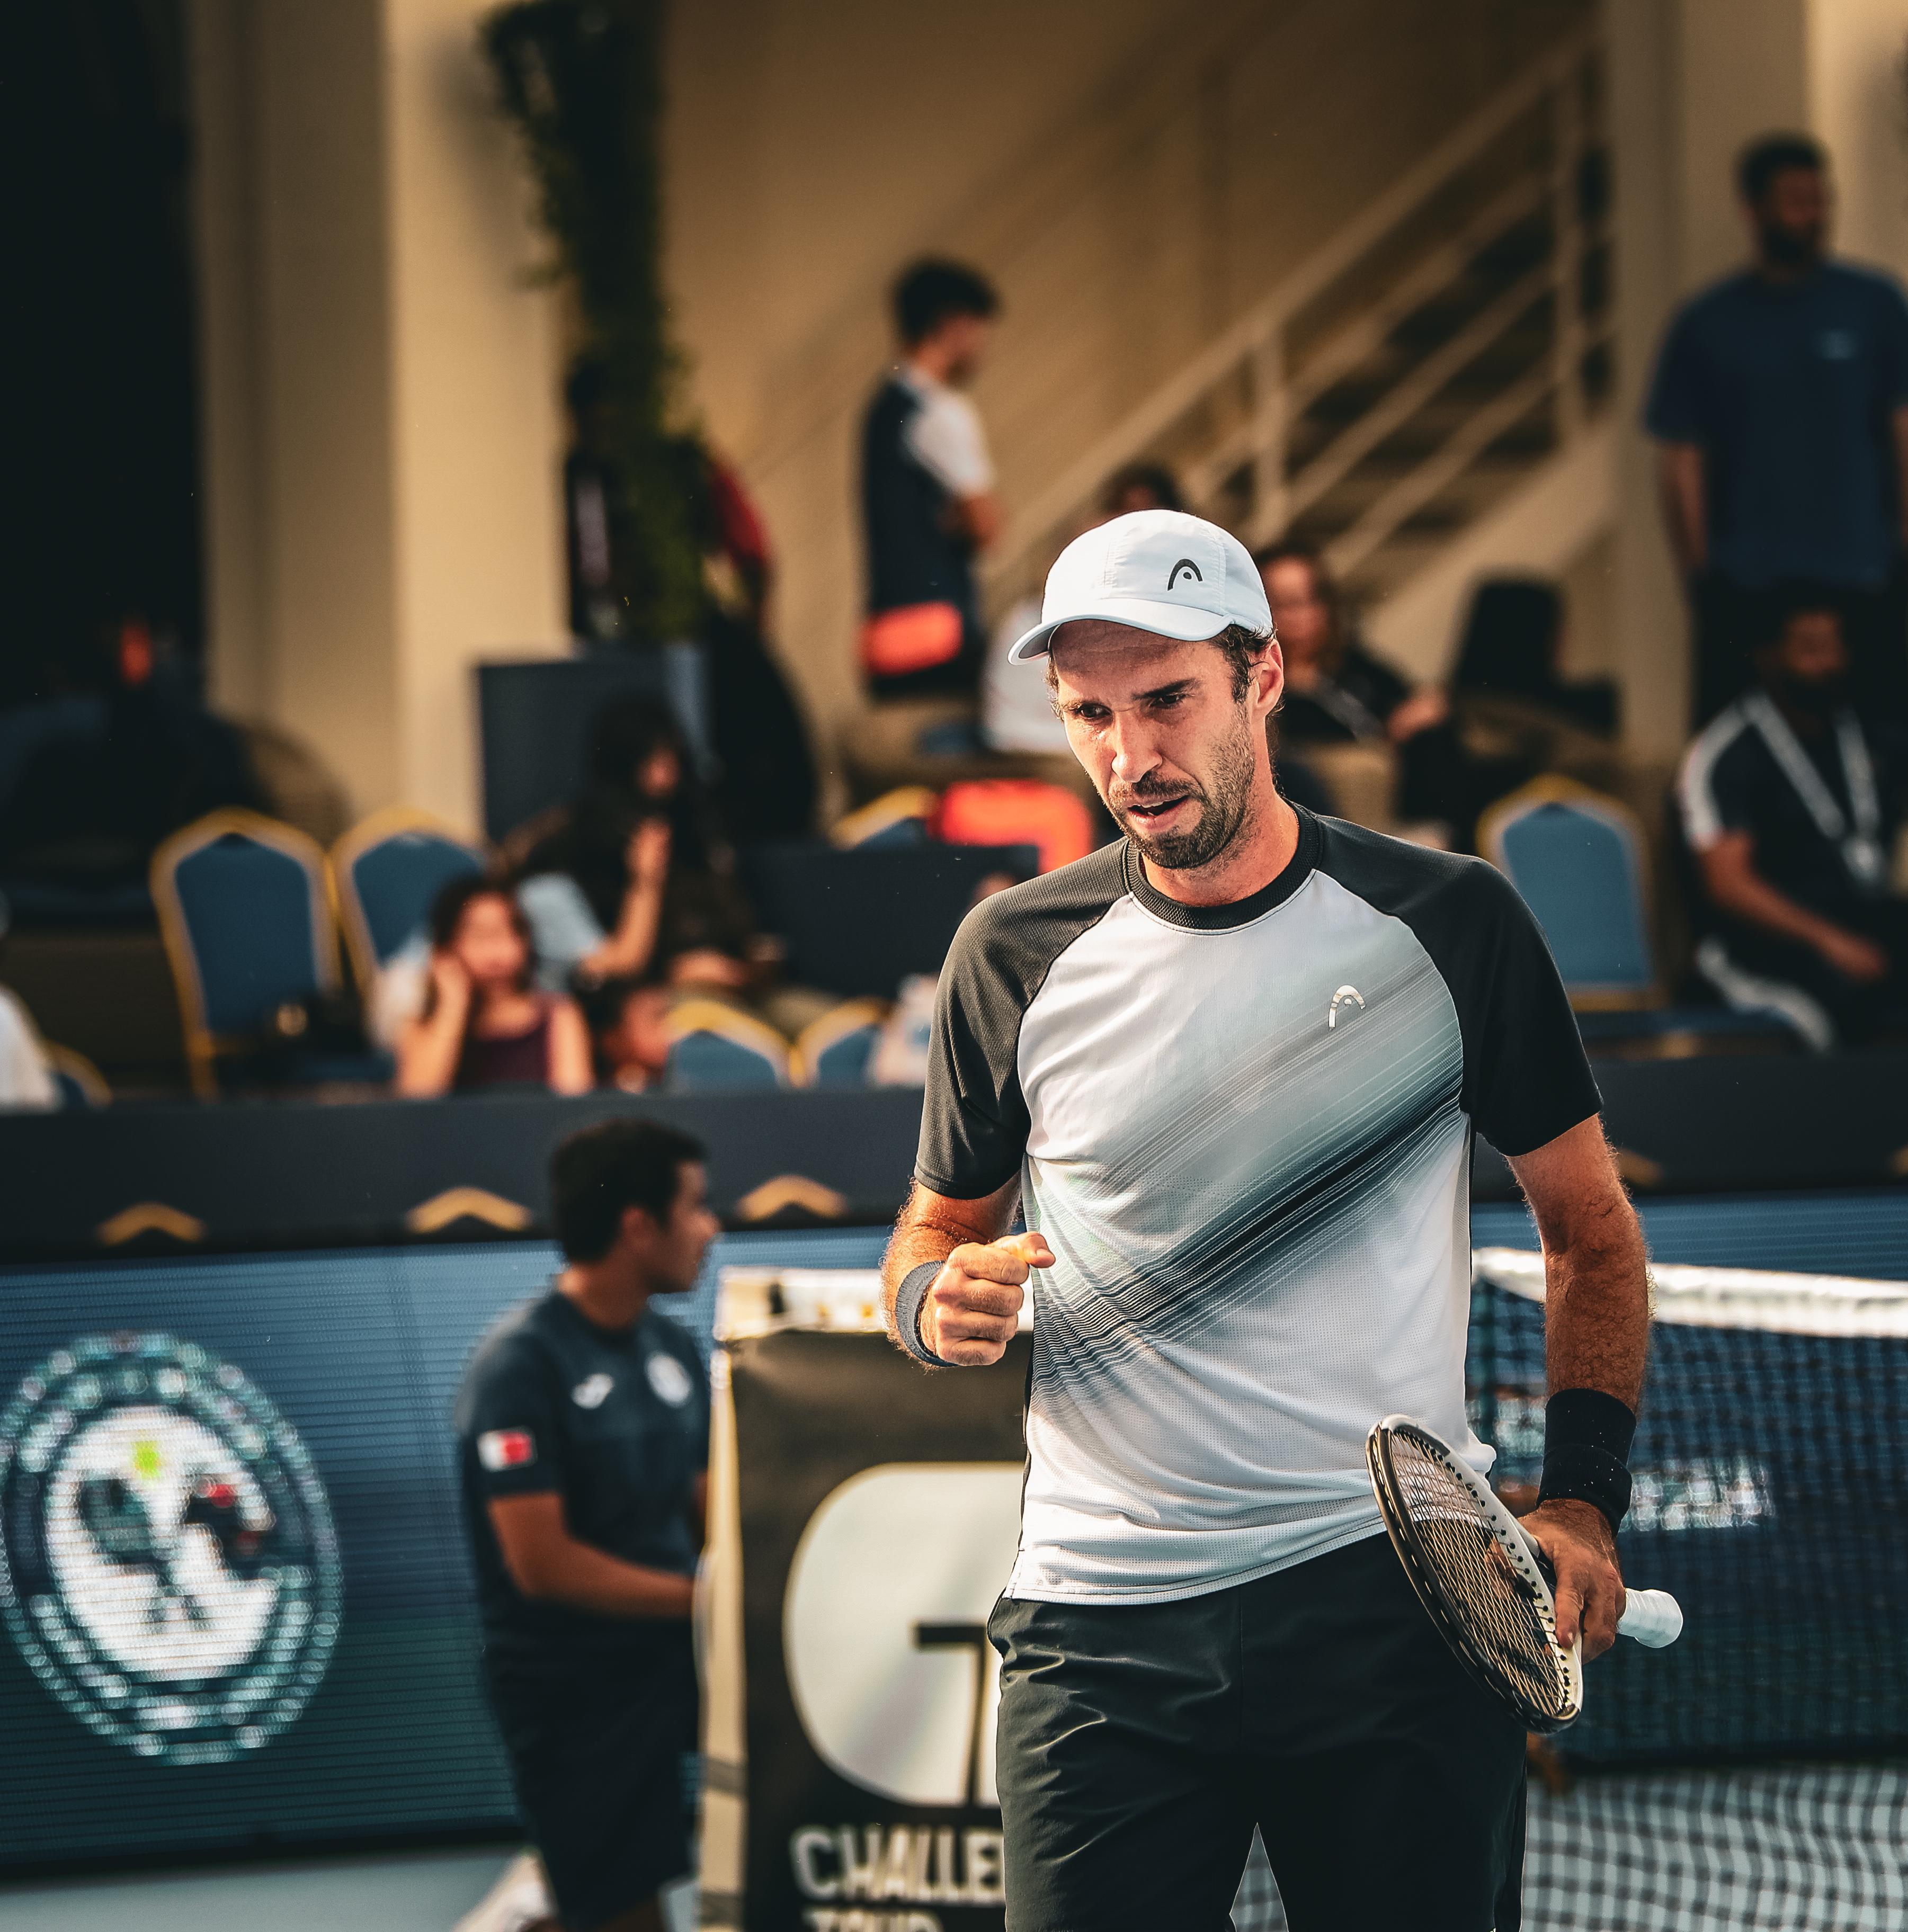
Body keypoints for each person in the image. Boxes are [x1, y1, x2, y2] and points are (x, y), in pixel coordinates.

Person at [880, 508, 1650, 1931]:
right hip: (1099, 1634)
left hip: (1395, 1616)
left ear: (1264, 677)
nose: (1128, 754)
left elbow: (1586, 1232)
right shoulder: (1010, 955)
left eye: (1166, 699)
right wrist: (936, 1304)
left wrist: (1583, 1500)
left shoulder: (1453, 922)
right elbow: (928, 1242)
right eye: (1088, 714)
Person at [455, 1120, 717, 1932]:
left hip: (673, 1662)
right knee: (624, 1913)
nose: (710, 1229)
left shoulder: (673, 1347)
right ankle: (545, 1902)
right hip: (571, 1686)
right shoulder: (518, 1367)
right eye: (695, 1207)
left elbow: (709, 1508)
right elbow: (543, 1564)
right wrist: (706, 1600)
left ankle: (553, 1887)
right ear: (638, 1226)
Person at [1646, 132, 1908, 726]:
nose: (1811, 215)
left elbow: (1902, 431)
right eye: (1794, 201)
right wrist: (1701, 578)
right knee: (1737, 740)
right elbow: (1682, 457)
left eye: (1819, 199)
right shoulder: (1707, 323)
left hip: (1860, 573)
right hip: (1750, 580)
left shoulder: (1873, 305)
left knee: (1877, 744)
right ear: (1753, 209)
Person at [1678, 584, 1908, 1049]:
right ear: (1769, 656)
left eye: (1835, 646)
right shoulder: (1728, 754)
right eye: (1810, 649)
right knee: (1835, 1016)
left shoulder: (1870, 737)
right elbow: (1728, 884)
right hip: (1766, 949)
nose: (1828, 663)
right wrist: (1828, 940)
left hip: (1863, 924)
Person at [511, 695, 758, 1000]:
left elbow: (734, 921)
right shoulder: (577, 844)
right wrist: (670, 970)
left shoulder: (692, 824)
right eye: (651, 759)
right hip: (643, 993)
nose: (664, 774)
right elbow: (616, 966)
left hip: (728, 976)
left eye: (670, 758)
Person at [859, 258, 1002, 712]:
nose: (981, 346)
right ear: (953, 325)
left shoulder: (882, 408)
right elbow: (987, 527)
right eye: (977, 331)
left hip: (884, 638)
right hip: (940, 637)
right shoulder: (940, 411)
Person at [395, 876, 592, 1097]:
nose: (496, 954)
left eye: (507, 932)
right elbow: (417, 1101)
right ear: (446, 947)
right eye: (479, 936)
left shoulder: (559, 1015)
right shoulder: (421, 1025)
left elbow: (571, 1105)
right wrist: (452, 1005)